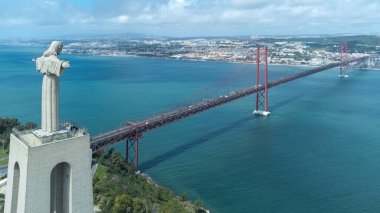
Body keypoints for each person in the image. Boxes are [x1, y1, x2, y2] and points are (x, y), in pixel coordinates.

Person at [36, 41, 70, 133]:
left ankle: (46, 129)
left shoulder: (43, 57)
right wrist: (63, 64)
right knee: (52, 102)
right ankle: (52, 130)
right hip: (53, 81)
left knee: (46, 103)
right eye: (60, 48)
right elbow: (58, 63)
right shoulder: (53, 58)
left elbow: (38, 60)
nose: (61, 50)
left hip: (45, 80)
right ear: (57, 48)